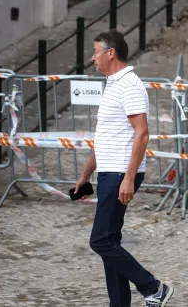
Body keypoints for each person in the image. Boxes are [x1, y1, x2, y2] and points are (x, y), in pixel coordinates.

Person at [74, 30, 175, 307]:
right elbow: (106, 137)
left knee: (100, 241)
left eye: (95, 51)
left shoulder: (129, 85)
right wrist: (86, 174)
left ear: (110, 53)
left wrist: (128, 179)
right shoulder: (112, 84)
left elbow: (142, 133)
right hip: (110, 172)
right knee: (110, 241)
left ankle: (153, 288)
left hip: (120, 173)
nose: (92, 57)